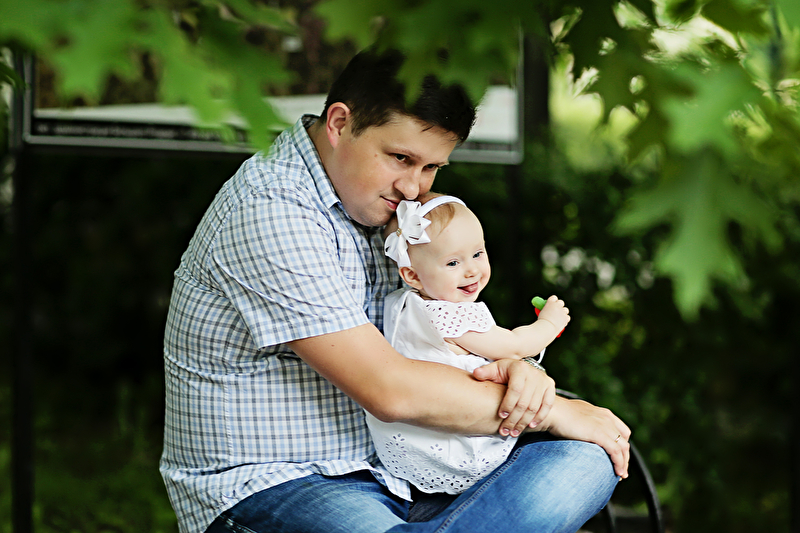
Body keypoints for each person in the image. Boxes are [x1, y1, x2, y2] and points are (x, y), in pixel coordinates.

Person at [160, 46, 631, 533]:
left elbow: (439, 339)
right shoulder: (272, 209)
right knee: (575, 434)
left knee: (586, 458)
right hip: (280, 482)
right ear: (339, 123)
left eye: (431, 168)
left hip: (407, 467)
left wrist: (514, 370)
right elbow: (391, 389)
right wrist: (549, 411)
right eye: (401, 158)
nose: (412, 188)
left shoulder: (387, 205)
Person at [366, 193, 571, 495]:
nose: (472, 270)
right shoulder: (451, 315)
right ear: (412, 275)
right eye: (453, 262)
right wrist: (550, 323)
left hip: (408, 445)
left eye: (477, 253)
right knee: (573, 455)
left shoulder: (401, 304)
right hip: (457, 446)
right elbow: (515, 346)